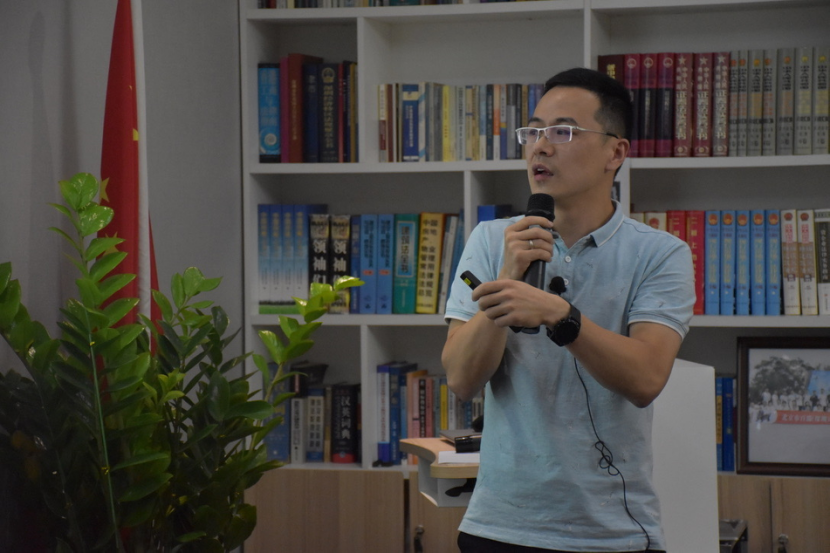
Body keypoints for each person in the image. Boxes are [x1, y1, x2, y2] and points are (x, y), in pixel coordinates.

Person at [442, 67, 695, 553]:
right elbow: (460, 378)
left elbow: (645, 379)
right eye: (533, 132)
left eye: (563, 132)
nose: (540, 147)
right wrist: (510, 277)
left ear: (615, 152)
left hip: (615, 533)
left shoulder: (660, 254)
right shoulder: (492, 240)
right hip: (499, 527)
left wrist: (561, 316)